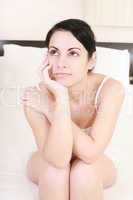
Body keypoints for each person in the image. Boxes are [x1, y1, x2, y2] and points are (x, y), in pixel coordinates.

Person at [21, 18, 125, 200]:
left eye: (73, 53)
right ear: (46, 58)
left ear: (91, 60)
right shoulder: (36, 96)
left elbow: (91, 154)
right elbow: (58, 160)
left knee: (84, 173)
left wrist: (52, 108)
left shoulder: (110, 89)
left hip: (93, 161)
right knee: (55, 173)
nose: (61, 63)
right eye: (54, 52)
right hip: (47, 158)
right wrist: (60, 98)